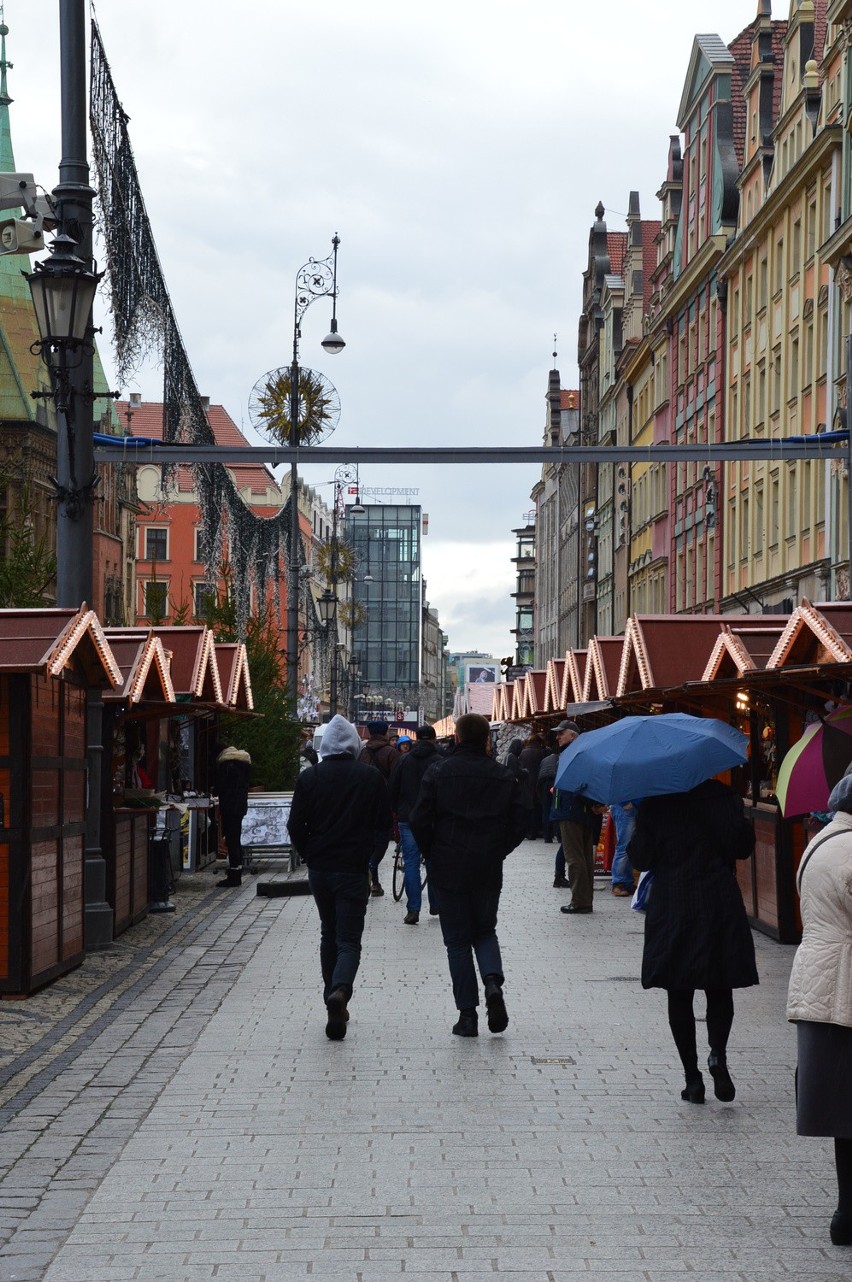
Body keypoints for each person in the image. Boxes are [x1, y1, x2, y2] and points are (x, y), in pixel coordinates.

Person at [628, 778, 758, 1104]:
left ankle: (693, 1079)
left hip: (674, 903)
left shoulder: (656, 802)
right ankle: (717, 1054)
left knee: (679, 991)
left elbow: (641, 858)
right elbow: (742, 847)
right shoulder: (724, 796)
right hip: (718, 899)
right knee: (719, 984)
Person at [410, 712, 529, 1038]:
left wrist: (431, 851)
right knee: (485, 931)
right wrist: (499, 848)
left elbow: (420, 819)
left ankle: (467, 1015)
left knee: (457, 942)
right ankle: (492, 981)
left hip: (448, 866)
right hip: (487, 866)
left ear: (458, 738)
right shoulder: (503, 776)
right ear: (486, 740)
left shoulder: (438, 772)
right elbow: (521, 820)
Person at [288, 714, 393, 1040]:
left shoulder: (310, 778)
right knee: (349, 940)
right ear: (351, 744)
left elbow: (295, 826)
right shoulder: (370, 777)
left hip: (320, 869)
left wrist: (309, 853)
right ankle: (341, 992)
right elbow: (382, 826)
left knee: (328, 933)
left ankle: (330, 997)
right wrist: (372, 859)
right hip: (352, 868)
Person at [787, 773, 852, 1245]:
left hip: (821, 979)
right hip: (844, 982)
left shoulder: (823, 839)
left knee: (844, 1113)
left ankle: (847, 1213)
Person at [388, 724, 439, 923]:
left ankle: (413, 909)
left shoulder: (403, 761)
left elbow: (392, 789)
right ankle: (435, 904)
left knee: (411, 863)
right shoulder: (439, 762)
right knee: (434, 861)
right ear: (434, 740)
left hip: (408, 818)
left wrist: (398, 810)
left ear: (416, 739)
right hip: (433, 820)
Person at [550, 721, 603, 913]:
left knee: (575, 858)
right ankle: (585, 899)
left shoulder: (571, 754)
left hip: (571, 810)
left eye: (560, 733)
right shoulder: (582, 753)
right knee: (584, 858)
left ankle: (579, 901)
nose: (557, 737)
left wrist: (592, 804)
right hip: (583, 811)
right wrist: (595, 804)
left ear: (572, 735)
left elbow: (577, 785)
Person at [358, 719, 399, 895]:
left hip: (364, 804)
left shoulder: (363, 753)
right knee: (382, 840)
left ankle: (374, 883)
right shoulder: (391, 753)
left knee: (368, 842)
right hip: (385, 803)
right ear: (384, 733)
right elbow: (397, 779)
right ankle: (371, 866)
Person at [214, 743, 252, 888]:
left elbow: (221, 786)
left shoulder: (227, 766)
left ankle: (234, 875)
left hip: (230, 806)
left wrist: (215, 789)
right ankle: (237, 870)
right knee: (235, 838)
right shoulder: (243, 764)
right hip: (240, 806)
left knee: (231, 839)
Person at [519, 733, 548, 838]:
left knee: (529, 807)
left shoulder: (523, 752)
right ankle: (537, 830)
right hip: (538, 782)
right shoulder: (540, 752)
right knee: (538, 807)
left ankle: (529, 831)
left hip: (527, 782)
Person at [609, 801, 638, 896]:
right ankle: (618, 882)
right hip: (626, 806)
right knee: (624, 847)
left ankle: (626, 882)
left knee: (628, 847)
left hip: (627, 806)